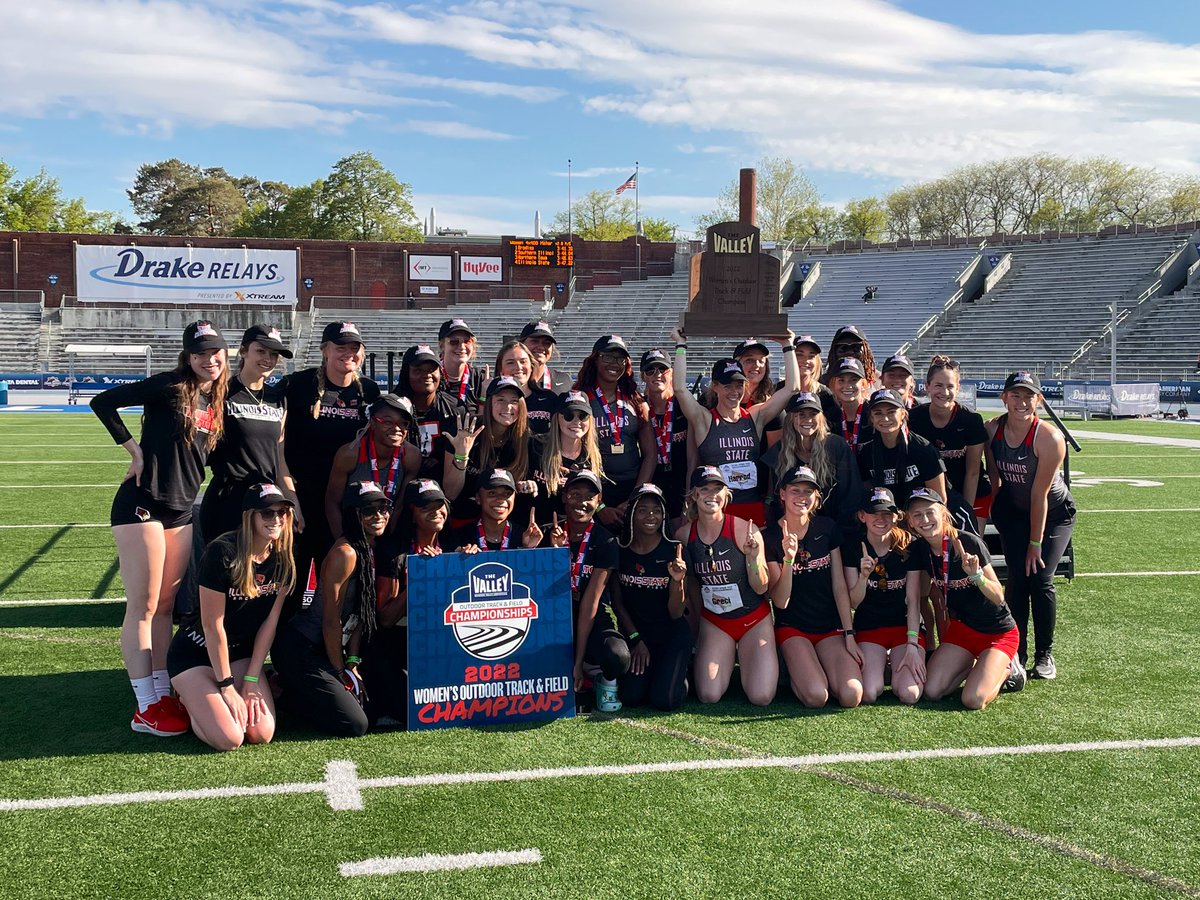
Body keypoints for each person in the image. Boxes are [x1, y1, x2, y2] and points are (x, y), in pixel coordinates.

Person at [90, 320, 229, 736]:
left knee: (166, 609)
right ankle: (145, 705)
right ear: (188, 357)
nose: (210, 360)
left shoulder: (216, 400)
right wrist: (133, 452)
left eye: (216, 353)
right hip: (142, 504)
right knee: (144, 605)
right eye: (201, 353)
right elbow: (103, 402)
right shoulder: (168, 385)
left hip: (182, 511)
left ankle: (163, 691)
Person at [168, 483, 296, 750]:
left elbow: (269, 623)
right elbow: (212, 625)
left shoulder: (283, 557)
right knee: (230, 738)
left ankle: (212, 699)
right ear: (250, 515)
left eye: (282, 512)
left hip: (239, 656)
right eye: (267, 513)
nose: (276, 519)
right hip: (197, 654)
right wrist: (226, 687)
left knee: (261, 733)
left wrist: (250, 680)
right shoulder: (223, 552)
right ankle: (185, 698)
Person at [271, 481, 390, 737]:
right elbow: (330, 621)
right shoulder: (345, 553)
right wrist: (339, 673)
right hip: (302, 647)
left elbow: (361, 614)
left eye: (383, 508)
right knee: (355, 724)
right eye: (369, 510)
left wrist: (353, 663)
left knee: (372, 710)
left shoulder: (372, 547)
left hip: (328, 649)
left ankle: (296, 685)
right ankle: (279, 692)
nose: (378, 516)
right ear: (353, 515)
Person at [280, 320, 380, 618]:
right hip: (301, 502)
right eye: (340, 347)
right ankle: (287, 656)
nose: (347, 353)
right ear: (325, 350)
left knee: (338, 585)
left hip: (344, 505)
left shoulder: (370, 392)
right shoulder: (299, 385)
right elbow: (276, 444)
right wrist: (289, 498)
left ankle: (330, 652)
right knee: (292, 581)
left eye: (354, 347)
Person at [985, 371, 1076, 679]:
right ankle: (1016, 652)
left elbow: (1040, 496)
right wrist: (1000, 512)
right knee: (1017, 580)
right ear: (1003, 398)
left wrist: (1034, 545)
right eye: (1015, 395)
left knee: (1039, 576)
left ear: (1039, 400)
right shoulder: (992, 430)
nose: (1021, 402)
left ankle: (1044, 655)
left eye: (1028, 396)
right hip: (1015, 511)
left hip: (1054, 514)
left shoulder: (1049, 437)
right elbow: (995, 478)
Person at [906, 489, 1022, 709]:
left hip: (997, 632)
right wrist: (912, 643)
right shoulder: (918, 549)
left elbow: (998, 597)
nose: (925, 520)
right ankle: (976, 664)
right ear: (910, 522)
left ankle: (1008, 668)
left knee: (973, 700)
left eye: (930, 512)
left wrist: (976, 576)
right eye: (917, 515)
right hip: (962, 631)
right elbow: (914, 600)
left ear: (943, 513)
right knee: (932, 691)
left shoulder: (967, 542)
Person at [672, 327, 799, 525]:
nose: (734, 391)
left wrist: (787, 345)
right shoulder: (704, 419)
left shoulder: (755, 416)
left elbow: (792, 388)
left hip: (751, 507)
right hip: (715, 509)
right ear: (715, 387)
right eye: (727, 385)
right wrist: (681, 345)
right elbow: (679, 388)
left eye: (739, 385)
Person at [676, 467, 776, 706]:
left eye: (717, 489)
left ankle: (762, 662)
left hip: (753, 619)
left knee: (761, 697)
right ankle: (727, 657)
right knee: (709, 695)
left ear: (726, 494)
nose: (712, 495)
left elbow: (762, 588)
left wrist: (752, 559)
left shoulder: (744, 529)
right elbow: (690, 588)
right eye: (705, 490)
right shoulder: (683, 535)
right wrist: (697, 630)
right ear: (694, 496)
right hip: (716, 621)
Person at [764, 466, 862, 708]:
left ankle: (814, 666)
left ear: (816, 497)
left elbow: (839, 586)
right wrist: (788, 558)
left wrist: (849, 634)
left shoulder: (826, 528)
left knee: (851, 695)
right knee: (817, 697)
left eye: (808, 491)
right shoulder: (769, 536)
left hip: (829, 628)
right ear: (783, 495)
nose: (801, 497)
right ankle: (794, 667)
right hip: (793, 628)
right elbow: (780, 601)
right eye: (795, 490)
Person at [360, 477, 450, 727]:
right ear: (411, 513)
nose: (435, 511)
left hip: (440, 641)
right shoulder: (393, 551)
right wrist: (420, 579)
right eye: (425, 506)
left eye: (439, 504)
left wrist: (467, 560)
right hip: (395, 643)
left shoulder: (454, 544)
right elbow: (386, 618)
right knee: (416, 710)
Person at [199, 324, 299, 543]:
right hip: (227, 501)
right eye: (261, 351)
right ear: (243, 351)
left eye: (274, 354)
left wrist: (293, 502)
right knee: (224, 573)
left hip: (267, 503)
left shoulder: (278, 398)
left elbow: (279, 457)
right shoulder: (220, 392)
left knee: (263, 575)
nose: (268, 359)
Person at [547, 469, 629, 711]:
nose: (581, 502)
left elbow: (591, 604)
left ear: (599, 500)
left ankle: (601, 677)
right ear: (564, 496)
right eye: (574, 494)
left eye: (589, 496)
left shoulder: (606, 540)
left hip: (592, 616)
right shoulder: (547, 533)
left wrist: (578, 660)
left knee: (618, 656)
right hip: (554, 617)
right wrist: (554, 554)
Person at [611, 484, 693, 711]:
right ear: (631, 514)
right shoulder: (619, 549)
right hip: (638, 635)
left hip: (671, 635)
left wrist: (677, 580)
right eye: (643, 510)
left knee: (664, 701)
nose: (651, 516)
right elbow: (617, 604)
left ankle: (684, 675)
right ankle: (662, 672)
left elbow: (676, 612)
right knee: (631, 697)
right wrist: (636, 640)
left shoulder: (674, 550)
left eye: (657, 510)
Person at [841, 488, 925, 704]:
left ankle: (895, 668)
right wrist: (863, 577)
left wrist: (912, 645)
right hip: (870, 627)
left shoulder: (909, 545)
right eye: (874, 513)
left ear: (897, 517)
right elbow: (853, 602)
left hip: (904, 627)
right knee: (869, 693)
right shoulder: (853, 545)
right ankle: (882, 667)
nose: (881, 519)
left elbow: (914, 601)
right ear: (862, 516)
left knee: (909, 694)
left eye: (887, 513)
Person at [574, 334, 656, 526]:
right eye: (607, 357)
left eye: (620, 358)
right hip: (594, 488)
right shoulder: (580, 398)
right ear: (595, 359)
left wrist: (636, 496)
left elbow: (650, 454)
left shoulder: (635, 401)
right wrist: (599, 506)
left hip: (632, 487)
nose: (614, 363)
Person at [763, 391, 862, 537]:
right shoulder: (779, 451)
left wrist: (841, 534)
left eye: (813, 414)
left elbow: (851, 495)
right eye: (801, 414)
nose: (807, 419)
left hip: (833, 531)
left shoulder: (836, 446)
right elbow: (774, 500)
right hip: (791, 533)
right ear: (790, 418)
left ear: (821, 418)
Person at [443, 376, 537, 527]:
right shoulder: (466, 430)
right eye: (501, 400)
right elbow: (450, 493)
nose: (508, 407)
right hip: (463, 520)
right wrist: (461, 454)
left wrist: (527, 485)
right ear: (489, 403)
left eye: (514, 401)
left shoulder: (525, 438)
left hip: (503, 522)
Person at [908, 355, 990, 527]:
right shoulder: (914, 418)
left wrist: (965, 509)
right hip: (930, 499)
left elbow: (973, 472)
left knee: (970, 546)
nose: (944, 392)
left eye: (950, 386)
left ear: (958, 388)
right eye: (938, 385)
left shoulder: (971, 420)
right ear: (927, 386)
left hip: (972, 493)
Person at [325, 394, 419, 537]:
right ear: (373, 423)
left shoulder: (411, 456)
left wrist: (388, 544)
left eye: (403, 423)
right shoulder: (350, 454)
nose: (397, 429)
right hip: (352, 532)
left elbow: (399, 505)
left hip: (386, 529)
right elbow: (332, 503)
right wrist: (342, 541)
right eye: (388, 422)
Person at [859, 388, 946, 506]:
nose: (885, 418)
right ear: (871, 418)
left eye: (891, 412)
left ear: (902, 414)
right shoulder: (866, 453)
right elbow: (866, 496)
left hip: (920, 515)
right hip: (888, 516)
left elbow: (940, 499)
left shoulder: (923, 449)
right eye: (878, 413)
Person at [531, 390, 606, 521]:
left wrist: (602, 508)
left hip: (574, 530)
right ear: (557, 418)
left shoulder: (593, 456)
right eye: (568, 415)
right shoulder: (536, 446)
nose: (576, 421)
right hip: (537, 529)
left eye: (583, 416)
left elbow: (598, 497)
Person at [392, 343, 460, 482]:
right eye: (418, 370)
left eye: (431, 369)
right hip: (400, 478)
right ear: (406, 373)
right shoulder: (391, 407)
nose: (427, 375)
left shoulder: (456, 408)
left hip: (441, 482)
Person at [640, 349, 691, 520]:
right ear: (643, 376)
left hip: (680, 486)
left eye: (663, 369)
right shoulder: (639, 409)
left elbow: (693, 457)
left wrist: (690, 495)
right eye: (650, 370)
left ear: (672, 373)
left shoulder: (684, 406)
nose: (657, 374)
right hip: (651, 485)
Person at [446, 467, 544, 552]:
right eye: (492, 493)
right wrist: (461, 560)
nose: (500, 499)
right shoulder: (460, 538)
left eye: (507, 494)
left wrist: (528, 550)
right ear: (478, 498)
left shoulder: (526, 536)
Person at [496, 339, 557, 435]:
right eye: (510, 363)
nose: (518, 367)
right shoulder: (493, 400)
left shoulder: (549, 398)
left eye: (523, 361)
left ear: (531, 366)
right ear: (501, 369)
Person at [826, 356, 875, 457]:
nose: (847, 385)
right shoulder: (829, 417)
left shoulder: (874, 413)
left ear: (863, 385)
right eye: (841, 380)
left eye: (853, 380)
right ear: (833, 385)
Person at [438, 317, 487, 410]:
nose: (461, 346)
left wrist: (484, 398)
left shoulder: (481, 379)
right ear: (442, 346)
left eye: (467, 341)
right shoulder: (433, 377)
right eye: (454, 342)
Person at [520, 320, 572, 392]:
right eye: (535, 341)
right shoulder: (513, 380)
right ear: (521, 344)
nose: (541, 347)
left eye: (547, 343)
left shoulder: (564, 380)